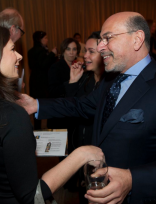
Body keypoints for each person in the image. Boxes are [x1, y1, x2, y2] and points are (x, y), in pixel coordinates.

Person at [16, 12, 156, 204]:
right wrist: (36, 105)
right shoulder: (110, 80)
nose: (101, 46)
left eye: (107, 38)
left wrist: (132, 180)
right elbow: (81, 105)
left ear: (137, 39)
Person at [0, 23, 104, 204]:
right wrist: (81, 155)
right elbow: (32, 196)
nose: (19, 56)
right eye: (12, 49)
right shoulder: (12, 115)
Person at [66, 31, 105, 204]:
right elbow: (71, 109)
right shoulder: (86, 79)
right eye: (85, 51)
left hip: (100, 157)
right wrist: (73, 81)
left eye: (91, 51)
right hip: (81, 153)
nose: (85, 56)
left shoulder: (110, 84)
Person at [47, 38, 80, 129]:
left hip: (72, 112)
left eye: (74, 49)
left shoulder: (77, 67)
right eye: (68, 49)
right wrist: (70, 84)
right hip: (59, 112)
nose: (71, 52)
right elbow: (52, 91)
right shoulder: (55, 67)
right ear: (63, 50)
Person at [28, 31, 57, 129]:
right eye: (45, 38)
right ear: (39, 40)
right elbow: (43, 65)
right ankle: (43, 128)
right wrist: (52, 54)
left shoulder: (30, 51)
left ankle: (36, 128)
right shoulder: (41, 51)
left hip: (33, 80)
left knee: (35, 104)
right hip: (41, 82)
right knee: (42, 104)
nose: (47, 40)